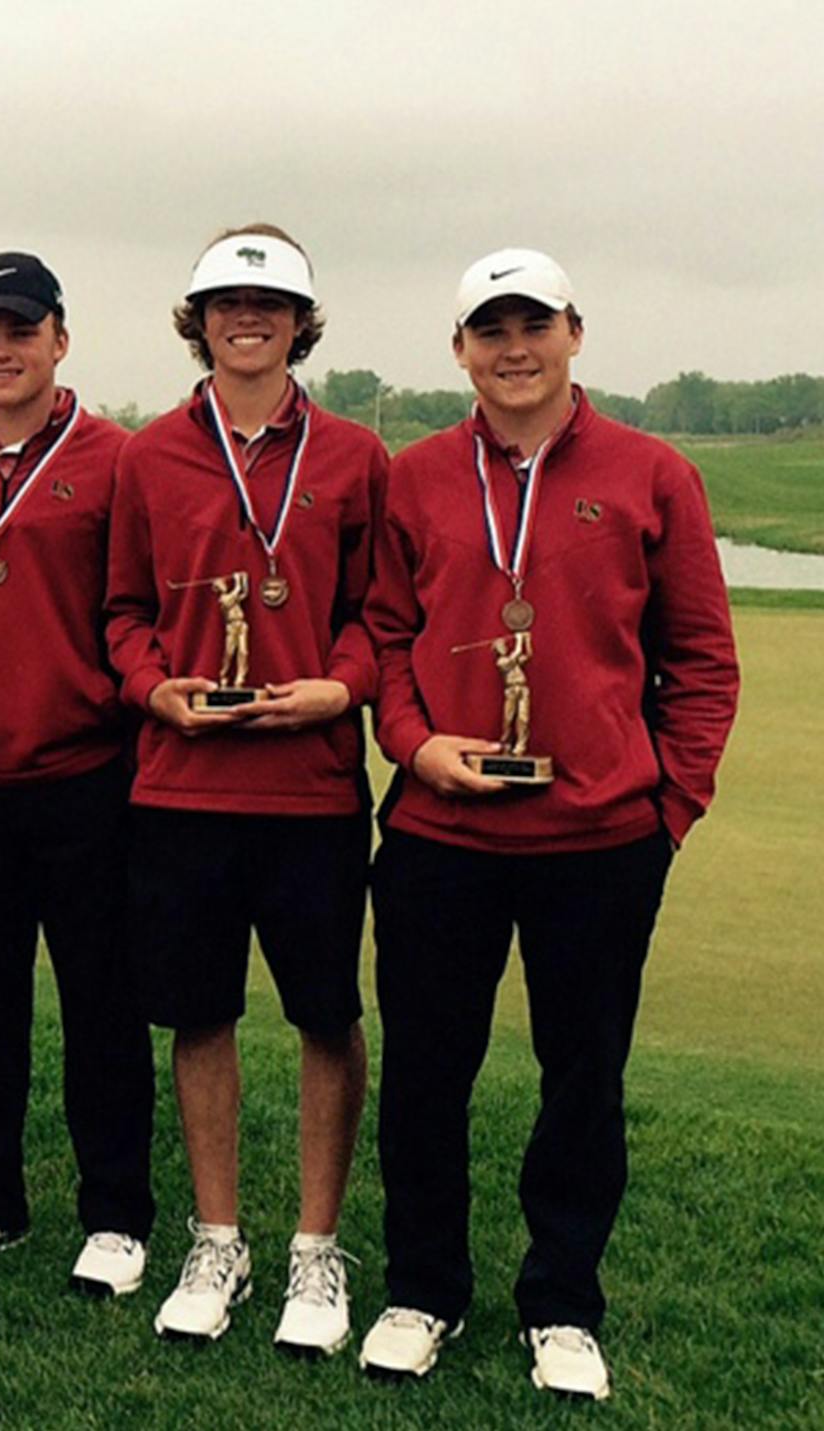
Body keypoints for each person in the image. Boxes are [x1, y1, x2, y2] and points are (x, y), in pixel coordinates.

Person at [356, 249, 739, 1399]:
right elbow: (387, 640)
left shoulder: (654, 474)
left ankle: (563, 1303)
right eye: (491, 329)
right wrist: (416, 746)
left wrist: (667, 808)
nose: (513, 348)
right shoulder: (417, 477)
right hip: (440, 838)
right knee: (426, 1075)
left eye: (534, 324)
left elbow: (700, 661)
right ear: (459, 349)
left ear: (575, 330)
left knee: (583, 1080)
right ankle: (423, 1290)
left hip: (601, 845)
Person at [104, 225, 387, 1354]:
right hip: (183, 786)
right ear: (200, 321)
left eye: (268, 305)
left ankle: (316, 1250)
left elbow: (380, 615)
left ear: (301, 323)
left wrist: (340, 686)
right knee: (200, 1015)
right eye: (226, 302)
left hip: (312, 788)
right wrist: (152, 688)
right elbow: (123, 611)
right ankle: (217, 1237)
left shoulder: (355, 456)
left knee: (325, 1015)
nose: (247, 319)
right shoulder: (148, 456)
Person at [0, 253, 155, 1295]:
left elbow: (136, 609)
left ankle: (118, 1214)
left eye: (20, 330)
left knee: (103, 1004)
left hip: (83, 771)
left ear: (60, 337)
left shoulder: (117, 459)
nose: (1, 350)